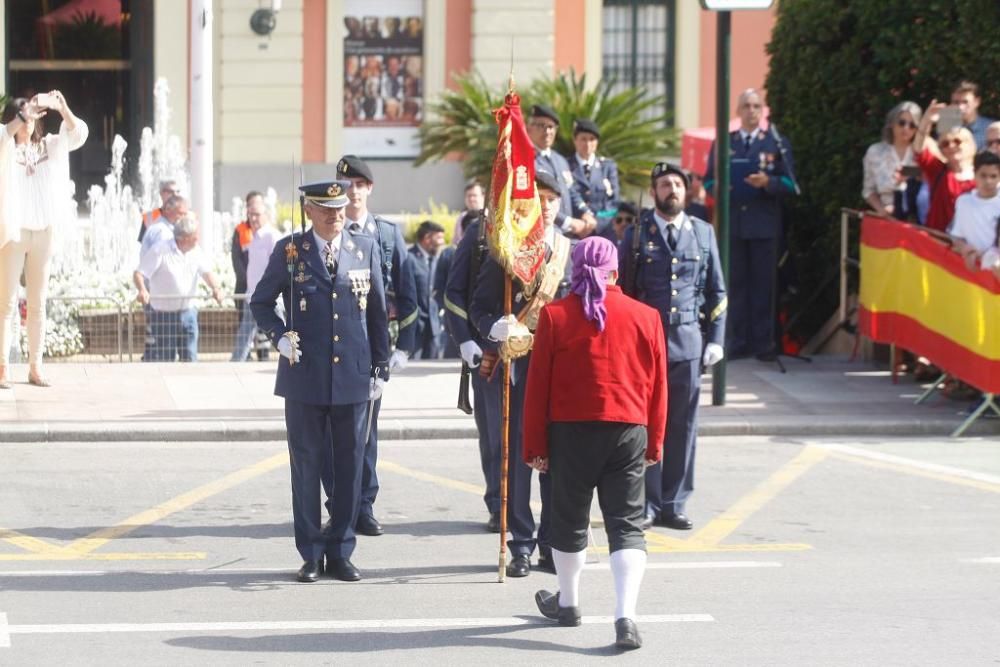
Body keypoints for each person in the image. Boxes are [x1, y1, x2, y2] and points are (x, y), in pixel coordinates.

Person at [523, 236, 667, 650]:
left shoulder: (554, 316)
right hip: (628, 430)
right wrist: (654, 443)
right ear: (616, 271)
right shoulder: (647, 316)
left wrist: (536, 446)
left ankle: (568, 604)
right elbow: (659, 389)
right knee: (627, 527)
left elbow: (538, 389)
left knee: (568, 522)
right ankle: (626, 617)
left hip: (569, 432)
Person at [250, 179, 389, 583]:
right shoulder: (291, 251)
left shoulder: (363, 248)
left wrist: (381, 366)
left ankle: (342, 549)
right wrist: (278, 337)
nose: (336, 215)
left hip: (353, 375)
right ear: (308, 209)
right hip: (305, 375)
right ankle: (310, 552)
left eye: (340, 208)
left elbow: (378, 312)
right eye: (326, 209)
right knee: (307, 467)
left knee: (350, 468)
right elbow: (261, 301)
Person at [470, 170, 573, 577]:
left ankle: (552, 541)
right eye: (538, 199)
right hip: (521, 367)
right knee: (519, 459)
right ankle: (522, 544)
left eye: (551, 200)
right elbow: (479, 306)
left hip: (563, 369)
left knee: (558, 459)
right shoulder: (506, 252)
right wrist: (495, 327)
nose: (545, 207)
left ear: (560, 205)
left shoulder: (571, 251)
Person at [621, 163, 726, 531]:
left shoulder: (702, 232)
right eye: (665, 184)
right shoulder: (636, 235)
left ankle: (675, 502)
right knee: (646, 427)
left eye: (679, 184)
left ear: (687, 191)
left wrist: (716, 339)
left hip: (688, 345)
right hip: (645, 348)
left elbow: (718, 291)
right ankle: (647, 503)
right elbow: (624, 296)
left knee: (683, 426)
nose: (673, 190)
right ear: (654, 193)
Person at [329, 154, 417, 537]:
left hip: (370, 346)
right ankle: (338, 505)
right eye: (347, 186)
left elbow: (408, 291)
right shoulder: (327, 227)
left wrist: (404, 347)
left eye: (359, 186)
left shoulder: (386, 233)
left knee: (365, 432)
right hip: (333, 347)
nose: (353, 193)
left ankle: (363, 505)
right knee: (333, 433)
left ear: (369, 189)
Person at [0, 92, 87, 388]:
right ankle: (1, 367)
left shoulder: (49, 145)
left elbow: (78, 134)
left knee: (38, 303)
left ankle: (35, 367)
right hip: (14, 231)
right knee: (6, 303)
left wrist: (63, 107)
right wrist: (21, 116)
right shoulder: (7, 148)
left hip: (44, 232)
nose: (30, 118)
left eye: (32, 113)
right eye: (23, 113)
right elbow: (2, 135)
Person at [704, 87, 796, 360]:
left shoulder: (775, 143)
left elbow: (791, 184)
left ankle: (763, 343)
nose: (751, 111)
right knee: (735, 285)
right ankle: (736, 341)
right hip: (734, 224)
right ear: (738, 111)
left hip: (764, 225)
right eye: (746, 106)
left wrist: (768, 182)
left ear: (763, 110)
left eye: (756, 106)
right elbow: (708, 180)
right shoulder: (724, 142)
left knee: (763, 286)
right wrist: (720, 186)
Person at [443, 209, 502, 531]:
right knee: (495, 434)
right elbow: (453, 292)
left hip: (534, 349)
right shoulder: (479, 232)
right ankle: (499, 504)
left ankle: (529, 508)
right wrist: (464, 339)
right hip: (489, 349)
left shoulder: (538, 229)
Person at [133, 217, 223, 362]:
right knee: (165, 358)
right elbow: (139, 273)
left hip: (188, 313)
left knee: (190, 356)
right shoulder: (160, 250)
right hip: (164, 315)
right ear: (184, 238)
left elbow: (206, 272)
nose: (198, 239)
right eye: (195, 236)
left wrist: (216, 288)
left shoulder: (196, 251)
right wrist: (143, 290)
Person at [527, 104, 596, 239]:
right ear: (529, 129)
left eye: (551, 127)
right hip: (542, 235)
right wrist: (568, 222)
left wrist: (585, 212)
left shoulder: (560, 160)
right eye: (541, 126)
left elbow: (571, 190)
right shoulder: (525, 160)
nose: (547, 131)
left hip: (567, 236)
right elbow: (533, 200)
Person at [913, 99, 977, 232]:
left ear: (970, 145)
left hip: (971, 245)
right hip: (938, 243)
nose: (951, 146)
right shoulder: (937, 170)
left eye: (957, 141)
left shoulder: (983, 173)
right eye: (945, 144)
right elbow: (918, 150)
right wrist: (927, 121)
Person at [230, 197, 281, 362]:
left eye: (257, 215)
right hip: (252, 296)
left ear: (266, 215)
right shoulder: (255, 236)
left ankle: (297, 360)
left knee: (281, 331)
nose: (253, 218)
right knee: (245, 334)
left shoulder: (272, 237)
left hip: (268, 298)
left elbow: (278, 268)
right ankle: (235, 363)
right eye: (250, 214)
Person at [863, 102, 922, 220]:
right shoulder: (875, 152)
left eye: (912, 125)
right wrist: (882, 210)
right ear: (892, 123)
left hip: (917, 218)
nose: (906, 128)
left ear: (917, 129)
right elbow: (868, 190)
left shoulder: (921, 154)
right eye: (902, 123)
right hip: (887, 218)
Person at [567, 118, 620, 238]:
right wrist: (581, 223)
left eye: (592, 139)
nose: (588, 144)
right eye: (583, 139)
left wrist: (596, 222)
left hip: (602, 234)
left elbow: (614, 203)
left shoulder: (607, 167)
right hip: (574, 233)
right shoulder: (565, 166)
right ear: (575, 140)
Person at [949, 151, 1000, 267]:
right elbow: (956, 236)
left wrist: (986, 257)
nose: (988, 181)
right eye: (983, 175)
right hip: (973, 271)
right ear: (974, 174)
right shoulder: (963, 202)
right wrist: (966, 249)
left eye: (993, 176)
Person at [409, 220, 447, 359]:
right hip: (415, 327)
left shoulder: (439, 260)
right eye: (439, 238)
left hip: (434, 327)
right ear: (427, 238)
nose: (442, 242)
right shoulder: (409, 258)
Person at [951, 80, 995, 151]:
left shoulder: (991, 128)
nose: (960, 107)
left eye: (965, 102)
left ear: (977, 102)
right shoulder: (947, 128)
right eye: (956, 103)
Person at [452, 179, 485, 245]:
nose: (471, 199)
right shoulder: (461, 218)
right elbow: (455, 242)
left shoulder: (490, 217)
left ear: (483, 197)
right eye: (468, 196)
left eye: (474, 195)